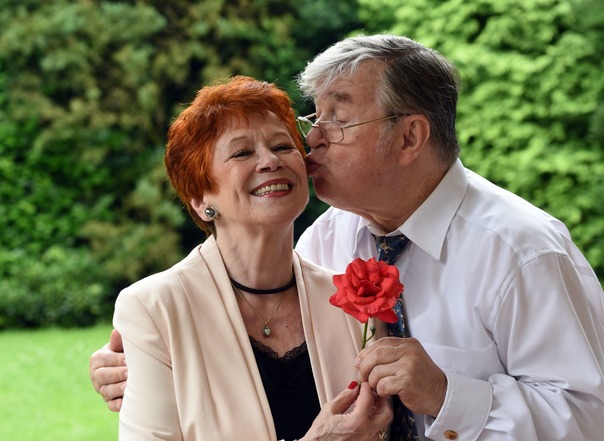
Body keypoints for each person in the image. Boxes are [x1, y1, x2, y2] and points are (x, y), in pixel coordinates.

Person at [91, 35, 604, 440]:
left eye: (337, 120)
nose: (310, 141)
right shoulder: (330, 237)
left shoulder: (524, 253)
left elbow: (591, 425)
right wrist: (147, 362)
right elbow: (245, 325)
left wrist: (445, 394)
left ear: (410, 136)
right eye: (313, 119)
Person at [103, 75, 392, 440]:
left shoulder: (354, 302)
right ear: (201, 197)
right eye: (242, 152)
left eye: (283, 146)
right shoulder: (154, 308)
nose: (270, 161)